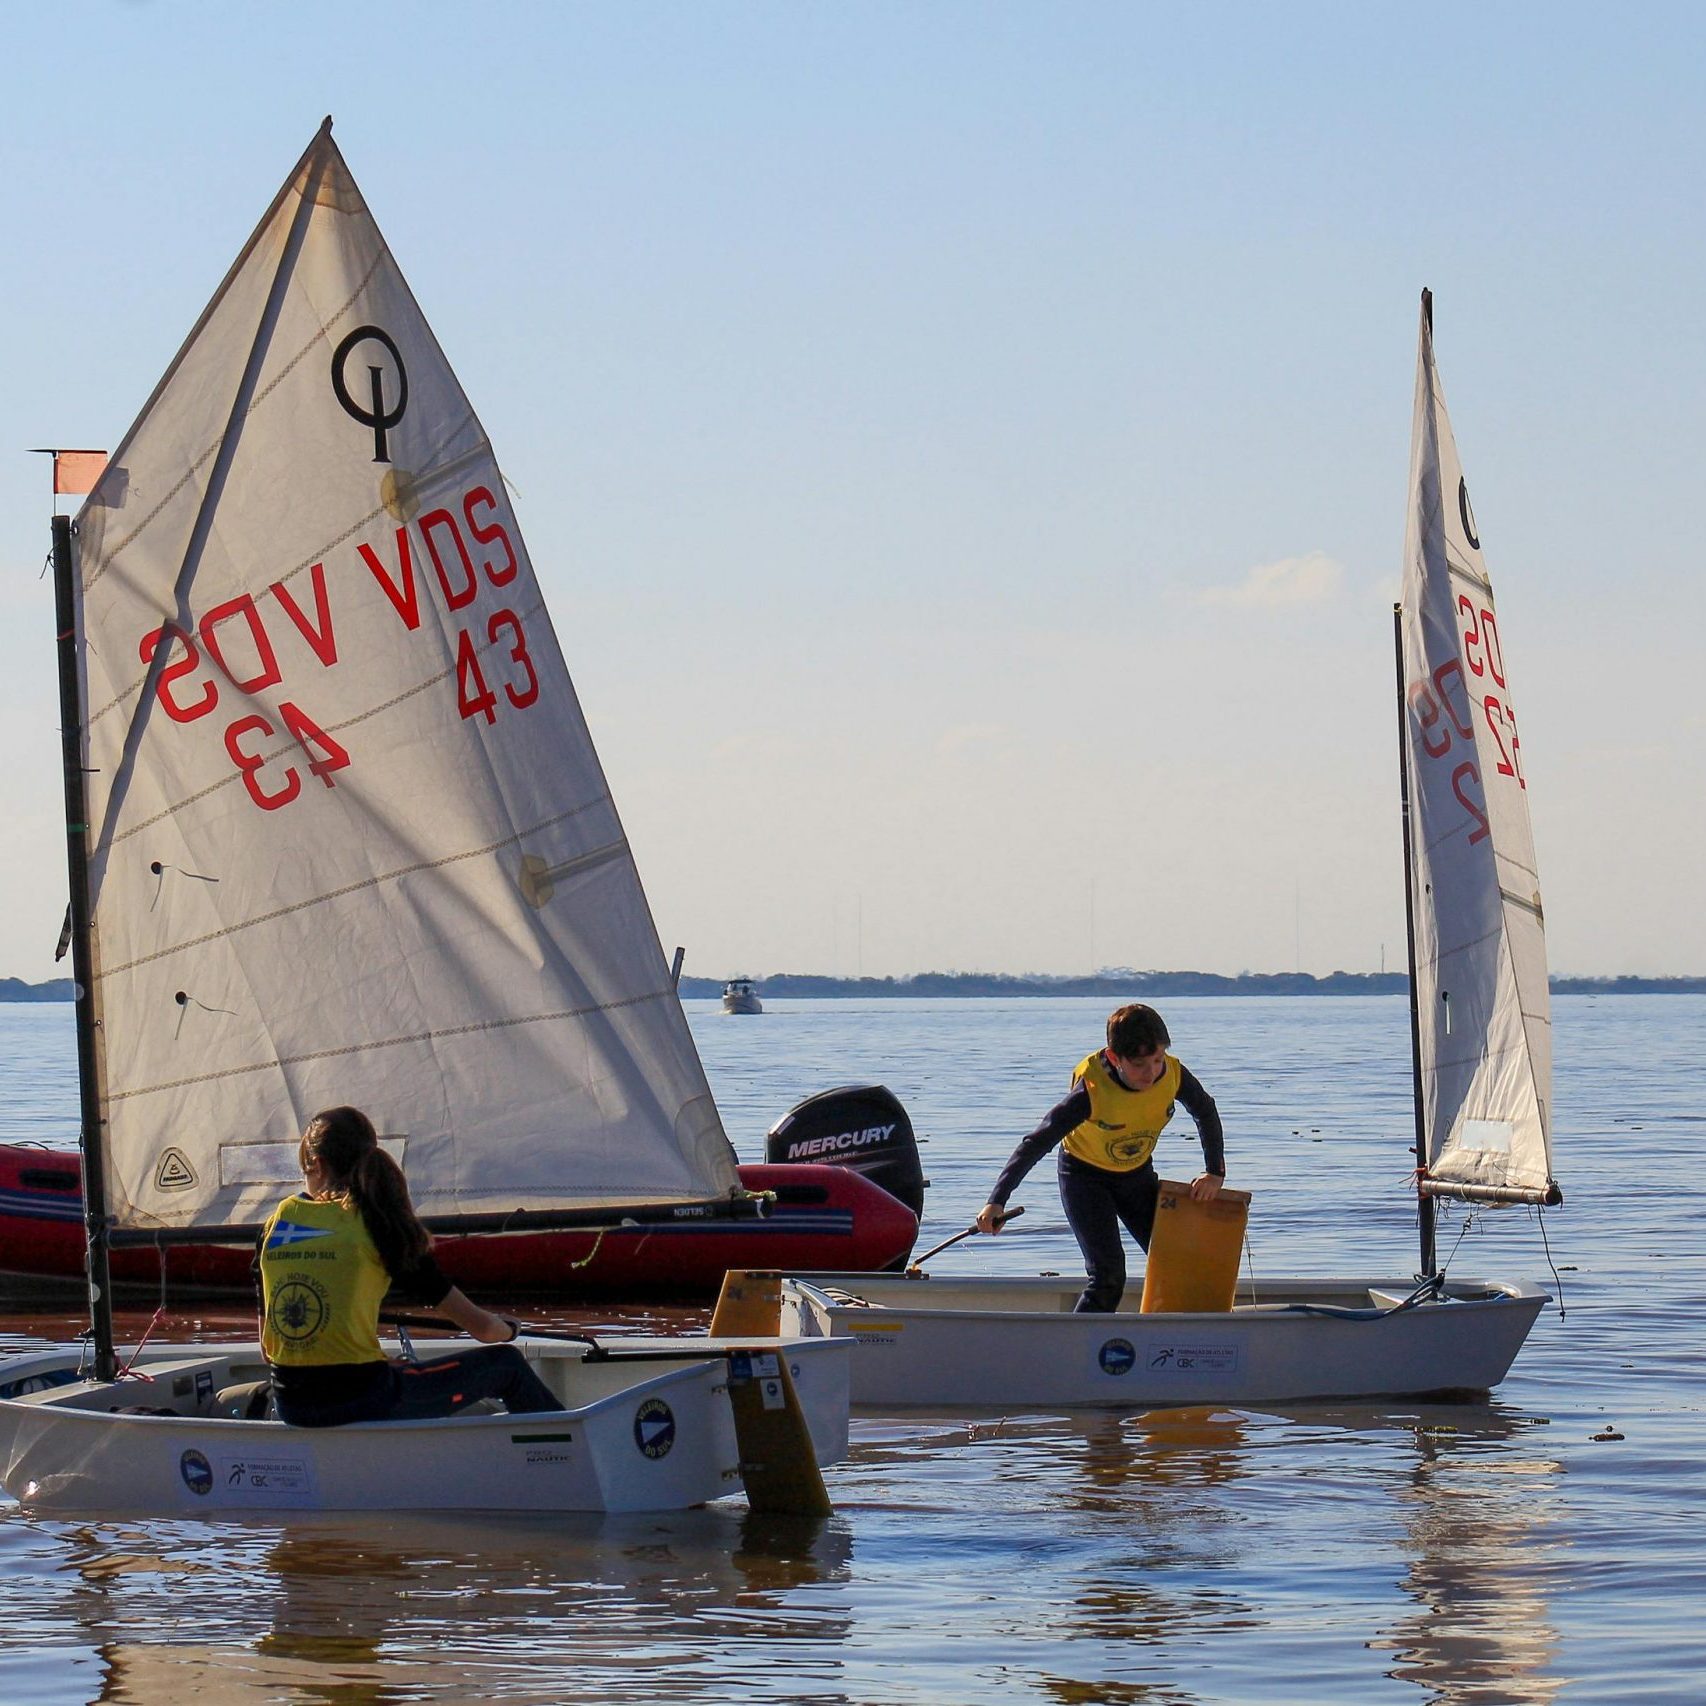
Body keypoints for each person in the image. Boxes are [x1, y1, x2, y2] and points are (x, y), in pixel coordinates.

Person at [258, 1106, 563, 1427]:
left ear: (317, 1164)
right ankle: (564, 1457)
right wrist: (509, 1328)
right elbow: (485, 1331)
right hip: (364, 1401)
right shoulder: (380, 1224)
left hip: (293, 1407)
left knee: (385, 1372)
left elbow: (268, 1349)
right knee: (506, 1364)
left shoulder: (274, 1224)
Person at [974, 1003, 1226, 1313]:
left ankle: (1175, 1340)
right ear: (1114, 1057)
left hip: (1136, 1177)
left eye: (1157, 1060)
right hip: (1084, 1179)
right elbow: (1036, 1143)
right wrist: (996, 1199)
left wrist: (1214, 1171)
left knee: (1178, 1264)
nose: (1150, 1074)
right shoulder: (1090, 1092)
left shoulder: (1173, 1074)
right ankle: (1078, 1349)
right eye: (1138, 1064)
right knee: (1108, 1276)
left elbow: (1205, 1111)